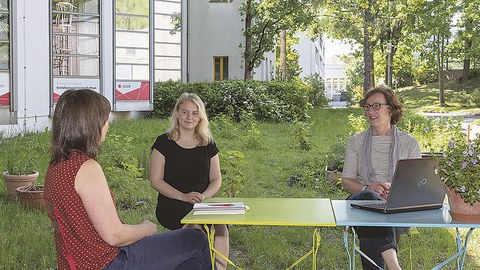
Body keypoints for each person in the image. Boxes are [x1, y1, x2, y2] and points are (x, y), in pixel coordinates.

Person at [44, 89, 212, 270]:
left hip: (79, 263)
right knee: (196, 239)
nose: (107, 124)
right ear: (90, 124)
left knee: (189, 259)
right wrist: (147, 229)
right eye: (105, 119)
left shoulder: (57, 166)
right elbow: (115, 236)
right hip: (108, 263)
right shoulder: (86, 168)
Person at [341, 86, 421, 270]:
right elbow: (346, 182)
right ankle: (395, 267)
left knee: (371, 224)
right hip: (361, 202)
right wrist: (367, 188)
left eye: (376, 106)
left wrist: (395, 191)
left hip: (396, 207)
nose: (370, 111)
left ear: (391, 110)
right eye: (367, 107)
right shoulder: (356, 142)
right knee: (370, 201)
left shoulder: (409, 143)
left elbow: (416, 184)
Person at [150, 92, 229, 270]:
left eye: (194, 113)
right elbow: (155, 180)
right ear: (177, 113)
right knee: (195, 225)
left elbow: (216, 179)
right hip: (173, 202)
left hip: (202, 201)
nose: (189, 117)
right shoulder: (163, 142)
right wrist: (183, 196)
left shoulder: (208, 144)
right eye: (185, 112)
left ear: (200, 117)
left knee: (221, 226)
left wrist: (203, 196)